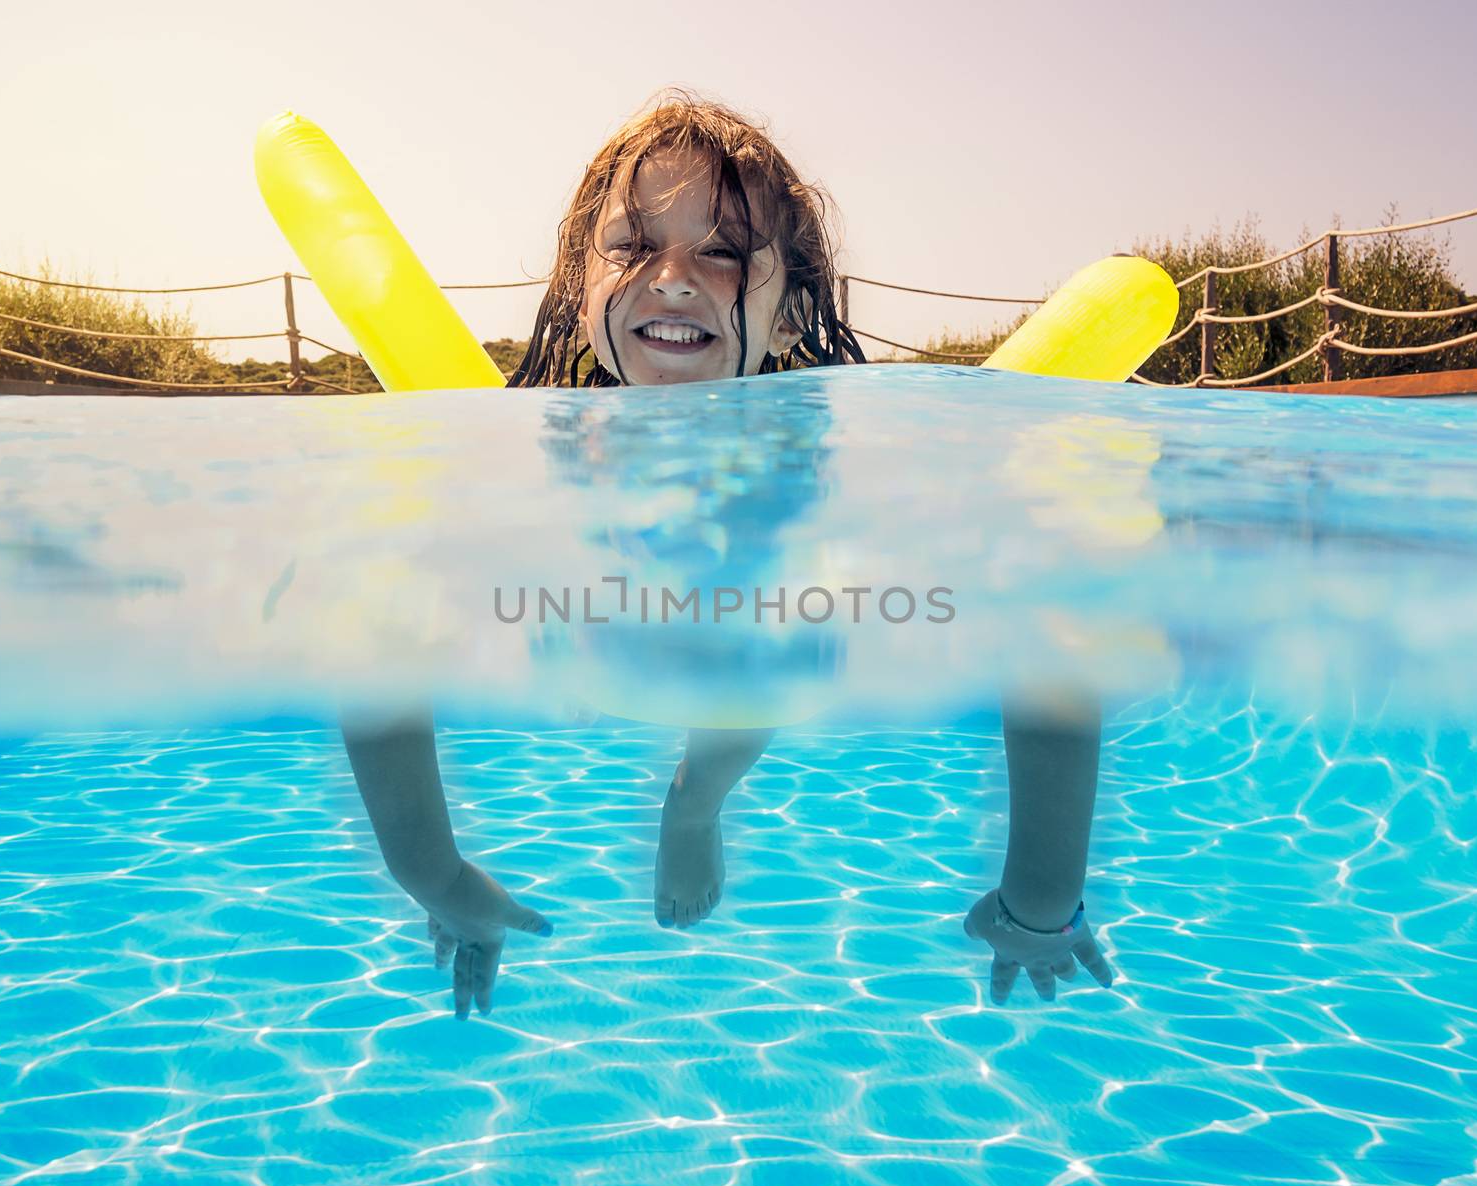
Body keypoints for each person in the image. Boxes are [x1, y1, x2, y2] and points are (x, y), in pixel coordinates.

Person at [342, 91, 1111, 1019]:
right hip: (585, 651)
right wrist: (437, 876)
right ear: (578, 293)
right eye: (630, 247)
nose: (672, 276)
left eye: (722, 250)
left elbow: (1046, 636)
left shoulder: (829, 474)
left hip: (757, 677)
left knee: (770, 659)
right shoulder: (521, 461)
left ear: (789, 316)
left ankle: (693, 802)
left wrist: (1040, 899)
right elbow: (369, 637)